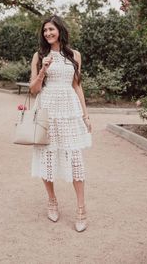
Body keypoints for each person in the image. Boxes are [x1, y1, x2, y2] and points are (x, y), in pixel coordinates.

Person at [29, 15, 92, 232]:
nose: (48, 33)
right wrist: (43, 70)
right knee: (47, 155)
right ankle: (52, 200)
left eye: (51, 30)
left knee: (75, 157)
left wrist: (85, 114)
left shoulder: (75, 55)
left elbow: (77, 86)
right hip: (46, 109)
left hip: (69, 110)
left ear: (60, 31)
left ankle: (81, 209)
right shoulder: (39, 55)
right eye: (45, 30)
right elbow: (33, 89)